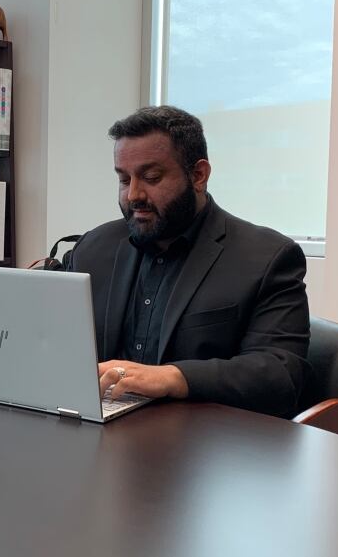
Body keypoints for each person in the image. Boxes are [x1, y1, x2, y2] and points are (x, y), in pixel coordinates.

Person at [65, 105, 310, 418]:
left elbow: (280, 375)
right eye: (124, 180)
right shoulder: (93, 249)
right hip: (100, 435)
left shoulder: (267, 258)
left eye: (151, 177)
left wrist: (172, 377)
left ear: (198, 175)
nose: (134, 195)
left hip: (206, 446)